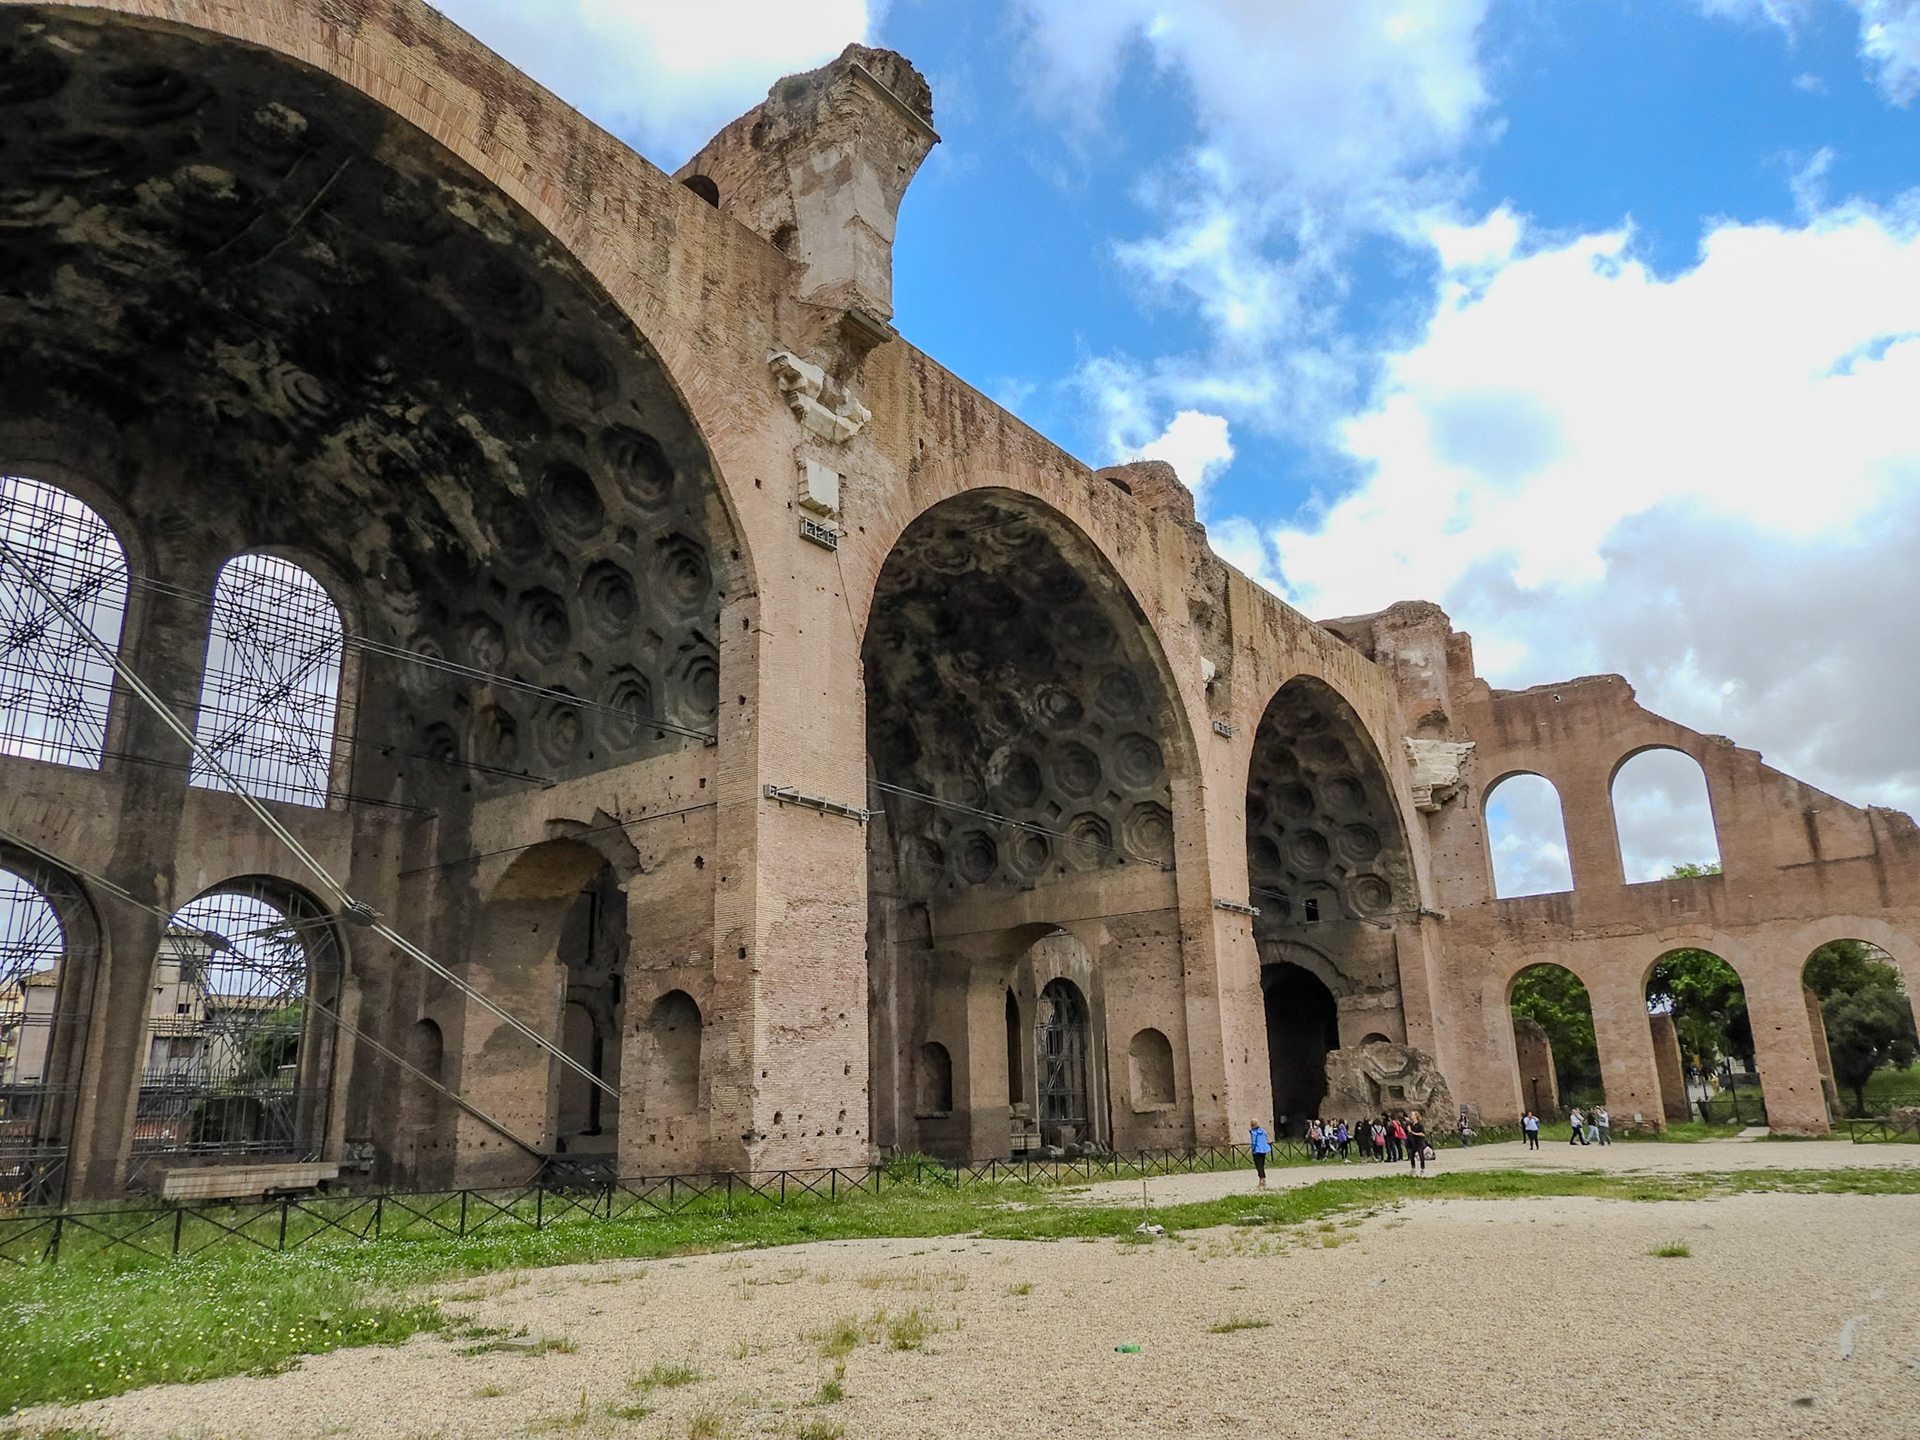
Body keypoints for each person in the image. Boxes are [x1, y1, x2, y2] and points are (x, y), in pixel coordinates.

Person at [1249, 1119, 1272, 1188]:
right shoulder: (1263, 1131)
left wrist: (1252, 1149)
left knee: (1258, 1165)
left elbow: (1254, 1142)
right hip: (1264, 1149)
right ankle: (1263, 1179)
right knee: (1262, 1165)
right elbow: (1265, 1139)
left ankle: (1261, 1180)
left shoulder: (1253, 1132)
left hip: (1257, 1150)